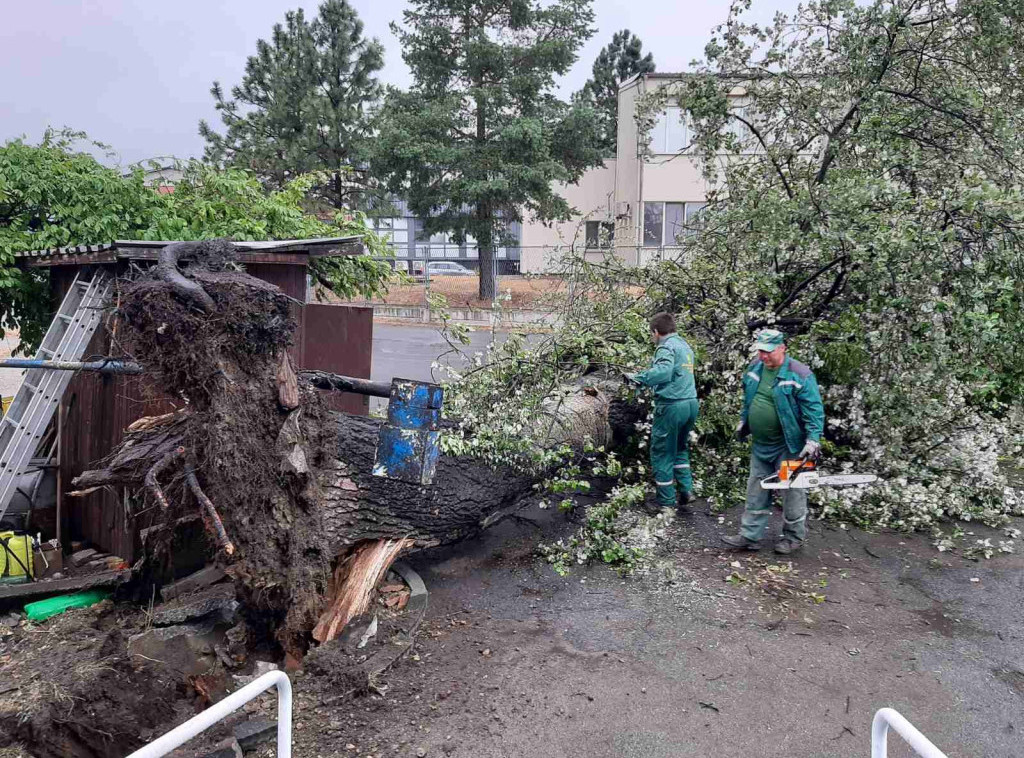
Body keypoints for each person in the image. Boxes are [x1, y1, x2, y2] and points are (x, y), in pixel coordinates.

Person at [721, 329, 824, 554]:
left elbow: (814, 410)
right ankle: (750, 536)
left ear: (782, 348)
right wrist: (744, 421)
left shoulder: (799, 374)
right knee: (756, 488)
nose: (763, 356)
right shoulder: (755, 368)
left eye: (768, 351)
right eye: (760, 351)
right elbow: (749, 398)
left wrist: (813, 440)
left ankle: (793, 537)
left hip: (788, 446)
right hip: (761, 444)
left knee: (792, 491)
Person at [627, 312, 699, 514]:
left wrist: (638, 378)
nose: (652, 338)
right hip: (690, 403)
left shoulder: (666, 347)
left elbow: (664, 372)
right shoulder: (685, 346)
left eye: (652, 335)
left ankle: (666, 502)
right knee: (679, 448)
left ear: (656, 332)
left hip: (672, 406)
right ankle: (686, 490)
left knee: (661, 452)